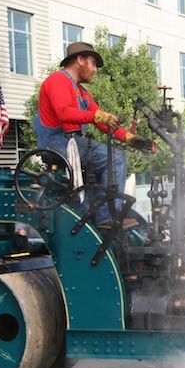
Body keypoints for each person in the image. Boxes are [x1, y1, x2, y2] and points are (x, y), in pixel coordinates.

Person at [34, 41, 149, 229]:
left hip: (70, 141)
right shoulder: (58, 80)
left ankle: (92, 211)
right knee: (117, 160)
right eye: (93, 63)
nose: (95, 70)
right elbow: (64, 112)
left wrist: (129, 138)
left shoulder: (82, 92)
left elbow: (101, 120)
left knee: (112, 158)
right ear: (80, 60)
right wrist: (96, 115)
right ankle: (106, 217)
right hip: (57, 142)